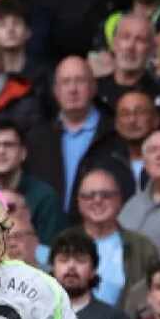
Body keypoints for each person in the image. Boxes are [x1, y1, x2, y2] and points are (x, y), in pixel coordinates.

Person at [25, 56, 115, 211]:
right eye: (66, 82)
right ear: (56, 91)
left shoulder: (113, 133)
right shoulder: (37, 138)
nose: (73, 89)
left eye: (80, 81)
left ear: (93, 87)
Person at [72, 167, 158, 311]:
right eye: (89, 195)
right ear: (78, 202)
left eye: (106, 195)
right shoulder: (64, 243)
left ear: (120, 200)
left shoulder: (143, 247)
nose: (97, 200)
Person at [0, 121, 65, 246]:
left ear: (23, 153)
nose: (1, 151)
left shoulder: (46, 198)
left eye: (9, 145)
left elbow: (51, 251)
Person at [96, 14, 160, 112]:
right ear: (114, 43)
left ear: (152, 49)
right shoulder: (93, 90)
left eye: (140, 40)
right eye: (125, 37)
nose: (130, 46)